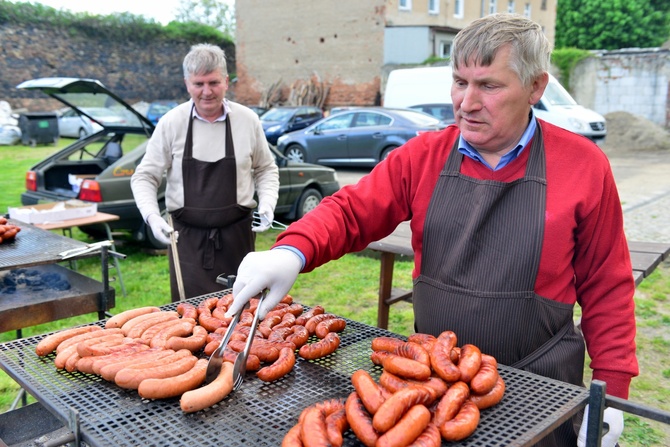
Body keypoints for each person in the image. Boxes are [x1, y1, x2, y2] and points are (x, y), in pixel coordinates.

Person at [227, 13, 639, 447]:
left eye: (490, 85)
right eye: (460, 82)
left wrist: (613, 390)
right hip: (431, 386)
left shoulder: (583, 166)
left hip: (541, 386)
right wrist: (291, 251)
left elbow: (606, 285)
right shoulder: (424, 156)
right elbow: (351, 210)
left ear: (536, 87)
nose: (467, 102)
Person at [131, 43, 279, 302]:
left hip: (237, 239)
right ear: (187, 84)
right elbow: (145, 176)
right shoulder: (171, 123)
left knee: (242, 316)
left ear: (226, 81)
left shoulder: (247, 121)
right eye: (198, 84)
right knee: (189, 322)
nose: (207, 92)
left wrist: (267, 203)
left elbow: (266, 168)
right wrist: (152, 217)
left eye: (213, 83)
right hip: (186, 242)